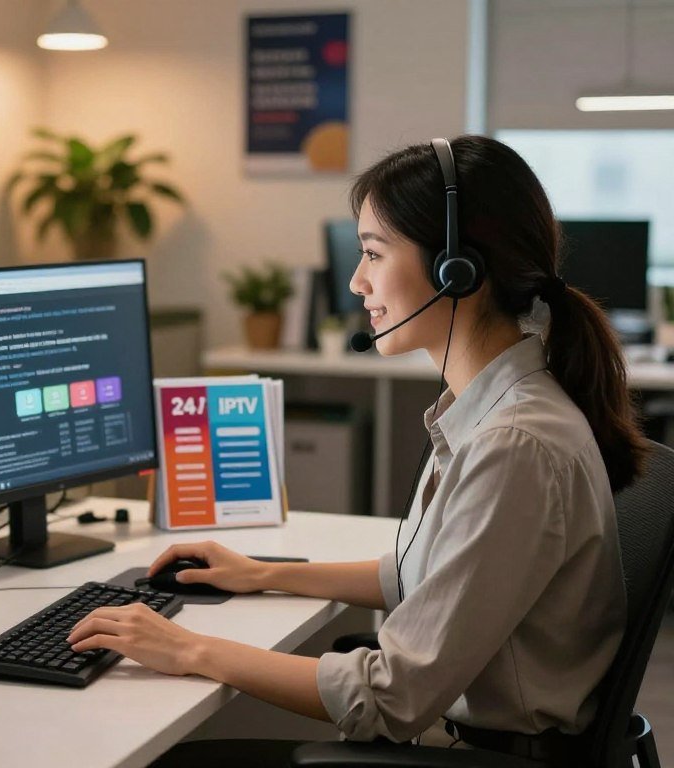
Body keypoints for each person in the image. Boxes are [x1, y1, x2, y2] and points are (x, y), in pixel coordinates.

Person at [66, 136, 649, 763]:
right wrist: (261, 573)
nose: (356, 280)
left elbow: (392, 696)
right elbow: (423, 575)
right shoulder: (490, 411)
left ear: (459, 268)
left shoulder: (516, 445)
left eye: (374, 252)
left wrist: (187, 649)